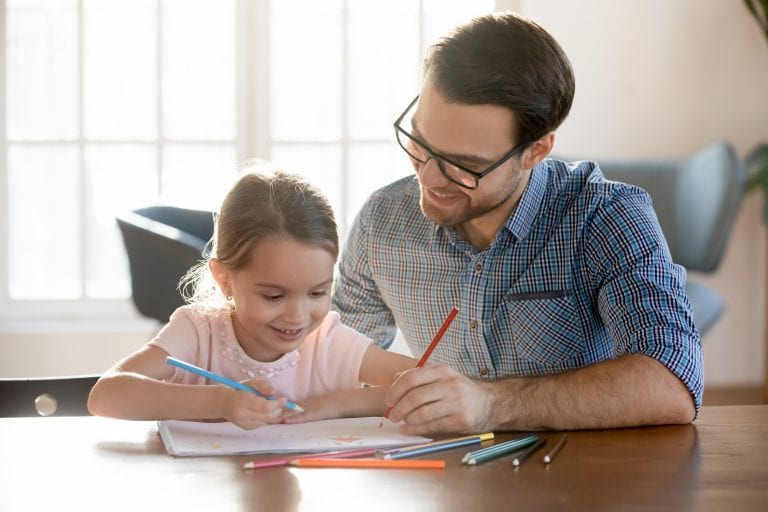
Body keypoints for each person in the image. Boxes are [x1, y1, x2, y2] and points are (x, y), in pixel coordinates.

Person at [332, 12, 702, 435]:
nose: (429, 179)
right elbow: (330, 361)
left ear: (535, 150)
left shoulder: (606, 217)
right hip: (443, 482)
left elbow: (673, 384)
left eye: (463, 165)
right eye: (420, 143)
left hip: (583, 481)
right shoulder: (381, 222)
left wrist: (489, 404)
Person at [88, 166, 416, 429]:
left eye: (318, 292)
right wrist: (220, 402)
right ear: (225, 279)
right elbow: (105, 396)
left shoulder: (327, 342)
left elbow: (427, 385)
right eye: (274, 296)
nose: (297, 316)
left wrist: (337, 404)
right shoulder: (198, 332)